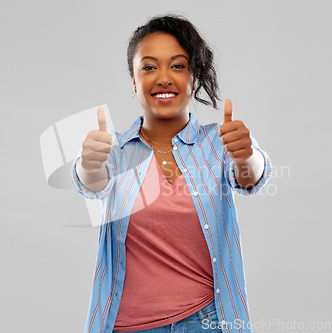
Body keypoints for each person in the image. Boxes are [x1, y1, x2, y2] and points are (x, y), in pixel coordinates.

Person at [72, 14, 272, 333]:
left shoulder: (220, 141)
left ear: (194, 76)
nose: (163, 78)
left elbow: (251, 178)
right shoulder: (116, 150)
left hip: (207, 323)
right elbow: (91, 183)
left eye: (177, 66)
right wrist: (89, 163)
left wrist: (247, 155)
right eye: (149, 67)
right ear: (133, 79)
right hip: (129, 326)